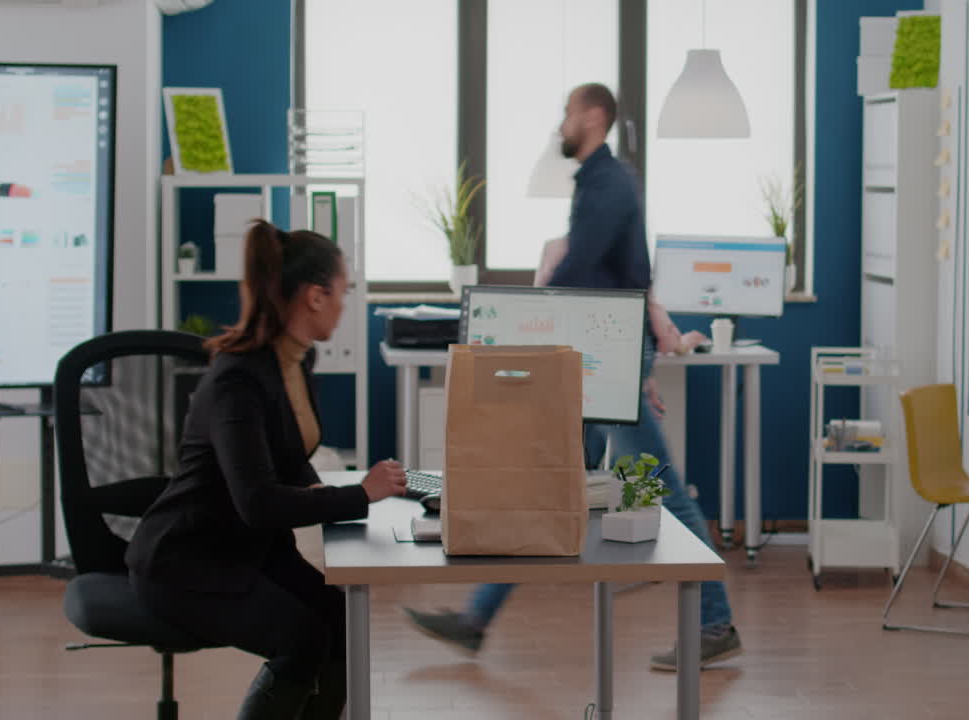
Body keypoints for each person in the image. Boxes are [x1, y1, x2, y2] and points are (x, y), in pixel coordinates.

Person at [403, 83, 742, 672]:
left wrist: (621, 362)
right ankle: (476, 619)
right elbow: (621, 276)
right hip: (602, 357)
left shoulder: (609, 185)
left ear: (594, 116)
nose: (560, 124)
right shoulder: (599, 183)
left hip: (603, 361)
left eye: (567, 113)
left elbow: (583, 272)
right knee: (545, 486)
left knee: (661, 489)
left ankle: (715, 622)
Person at [126, 220, 409, 720]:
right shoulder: (239, 378)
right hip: (186, 563)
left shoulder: (297, 361)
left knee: (342, 621)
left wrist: (340, 492)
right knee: (301, 639)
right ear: (315, 296)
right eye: (343, 291)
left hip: (247, 551)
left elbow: (289, 458)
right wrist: (358, 495)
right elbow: (257, 503)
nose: (346, 305)